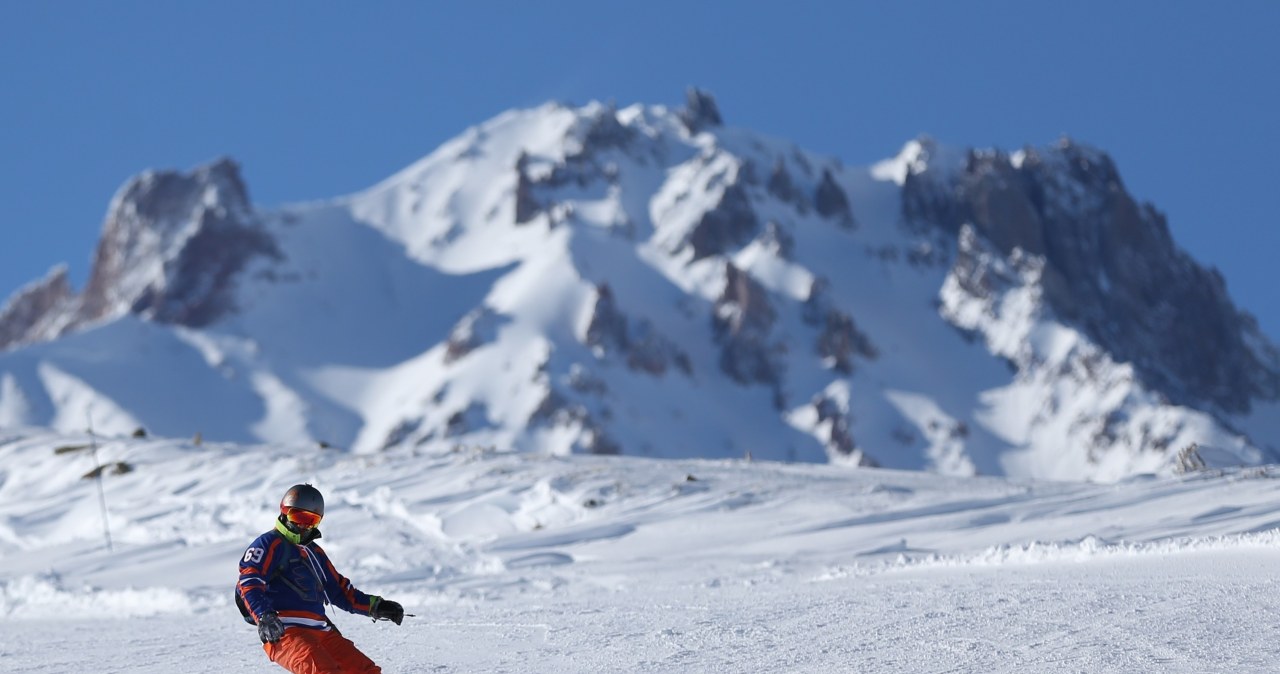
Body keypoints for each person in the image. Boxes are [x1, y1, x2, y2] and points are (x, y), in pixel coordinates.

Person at [237, 484, 404, 673]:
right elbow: (250, 580)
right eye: (298, 517)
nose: (303, 525)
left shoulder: (315, 552)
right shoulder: (269, 543)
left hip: (322, 631)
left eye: (311, 521)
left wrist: (376, 606)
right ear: (285, 513)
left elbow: (341, 591)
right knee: (323, 670)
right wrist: (264, 616)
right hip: (285, 631)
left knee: (364, 670)